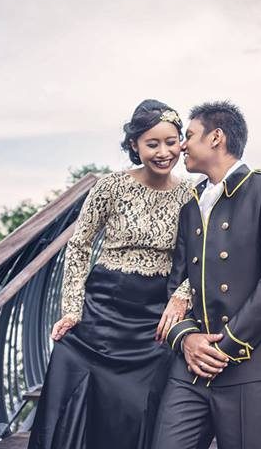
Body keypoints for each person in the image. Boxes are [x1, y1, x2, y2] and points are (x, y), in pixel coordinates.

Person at [28, 100, 195, 449]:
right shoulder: (110, 187)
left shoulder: (190, 195)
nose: (164, 152)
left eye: (171, 141)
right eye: (153, 143)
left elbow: (201, 259)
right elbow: (79, 246)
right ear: (134, 145)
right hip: (101, 309)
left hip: (153, 318)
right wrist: (72, 308)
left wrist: (183, 295)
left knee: (135, 407)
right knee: (69, 367)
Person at [152, 101, 261, 449]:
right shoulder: (190, 204)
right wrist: (187, 339)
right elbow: (178, 284)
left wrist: (225, 345)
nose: (181, 145)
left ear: (216, 137)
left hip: (253, 367)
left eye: (188, 136)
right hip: (190, 367)